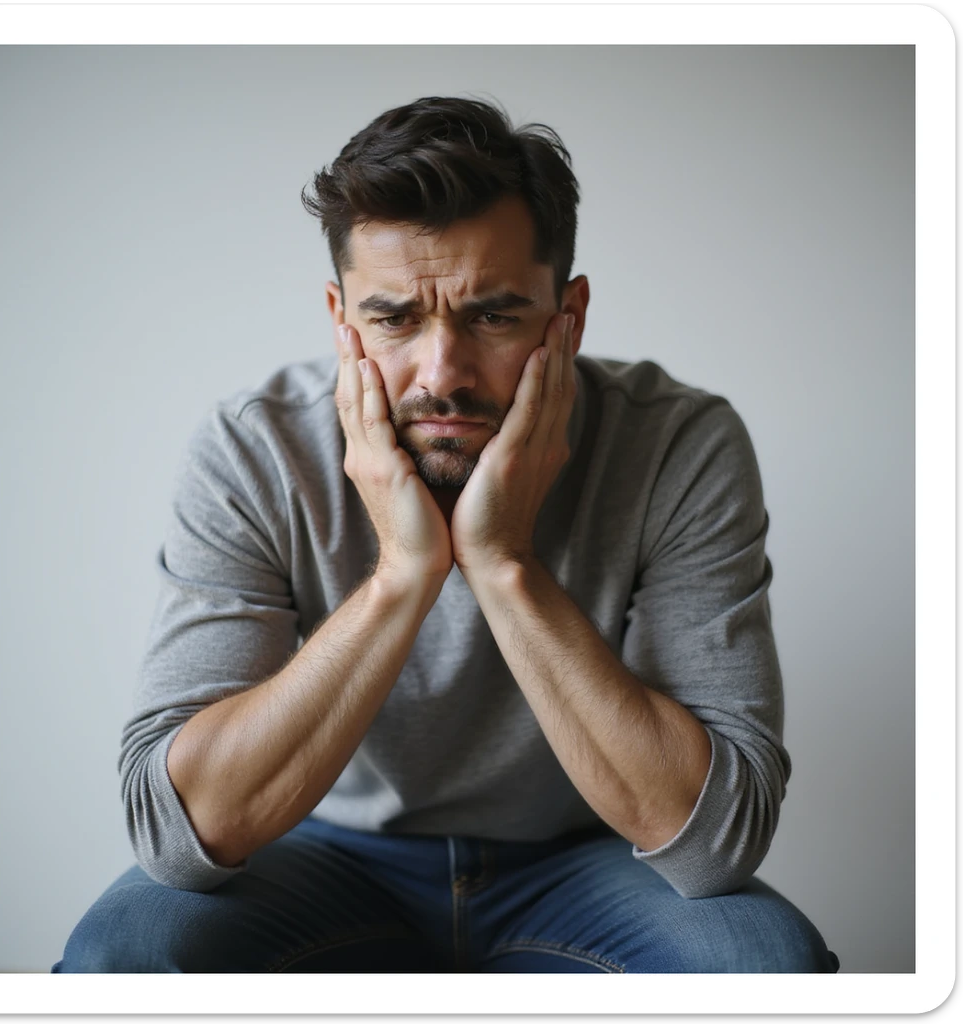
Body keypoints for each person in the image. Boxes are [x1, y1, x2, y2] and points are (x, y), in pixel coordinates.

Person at [53, 96, 837, 974]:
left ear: (569, 314)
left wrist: (503, 562)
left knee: (761, 964)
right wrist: (402, 574)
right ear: (341, 318)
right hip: (322, 852)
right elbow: (177, 834)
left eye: (493, 316)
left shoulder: (677, 444)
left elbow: (716, 842)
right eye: (394, 319)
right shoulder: (256, 447)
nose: (443, 375)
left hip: (589, 859)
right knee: (124, 956)